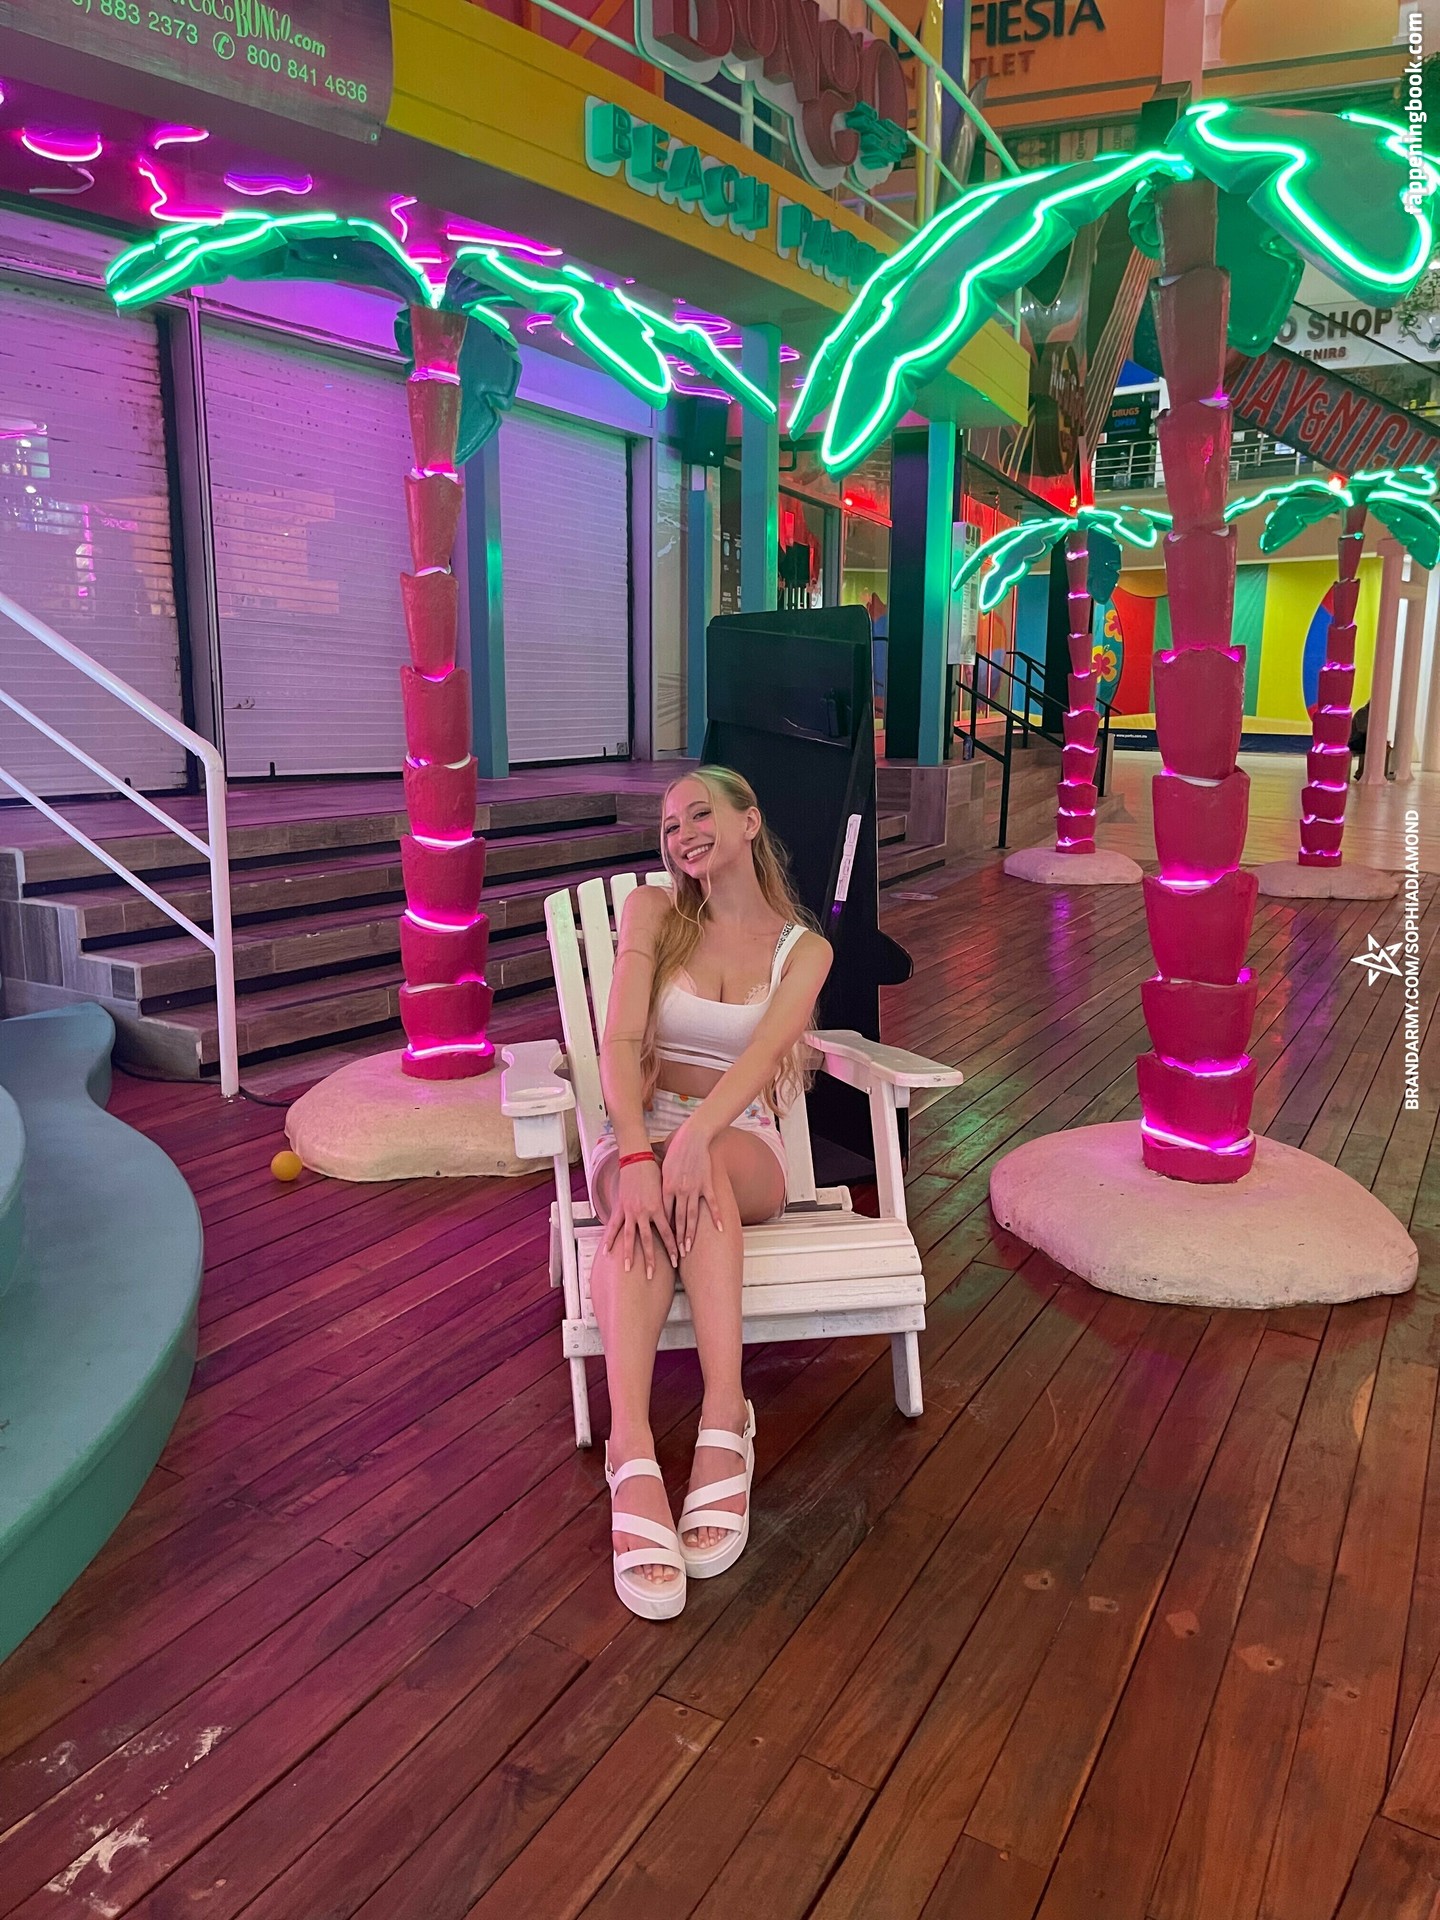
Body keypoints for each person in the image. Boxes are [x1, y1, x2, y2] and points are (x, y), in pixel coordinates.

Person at [589, 766, 832, 1620]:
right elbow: (620, 1039)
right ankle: (632, 1446)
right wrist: (638, 1150)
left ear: (749, 821)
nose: (682, 833)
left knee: (706, 1167)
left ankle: (724, 1415)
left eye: (700, 814)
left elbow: (763, 1060)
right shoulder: (653, 912)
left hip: (741, 1135)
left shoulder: (803, 950)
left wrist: (695, 1139)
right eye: (668, 825)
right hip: (639, 1125)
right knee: (648, 1199)